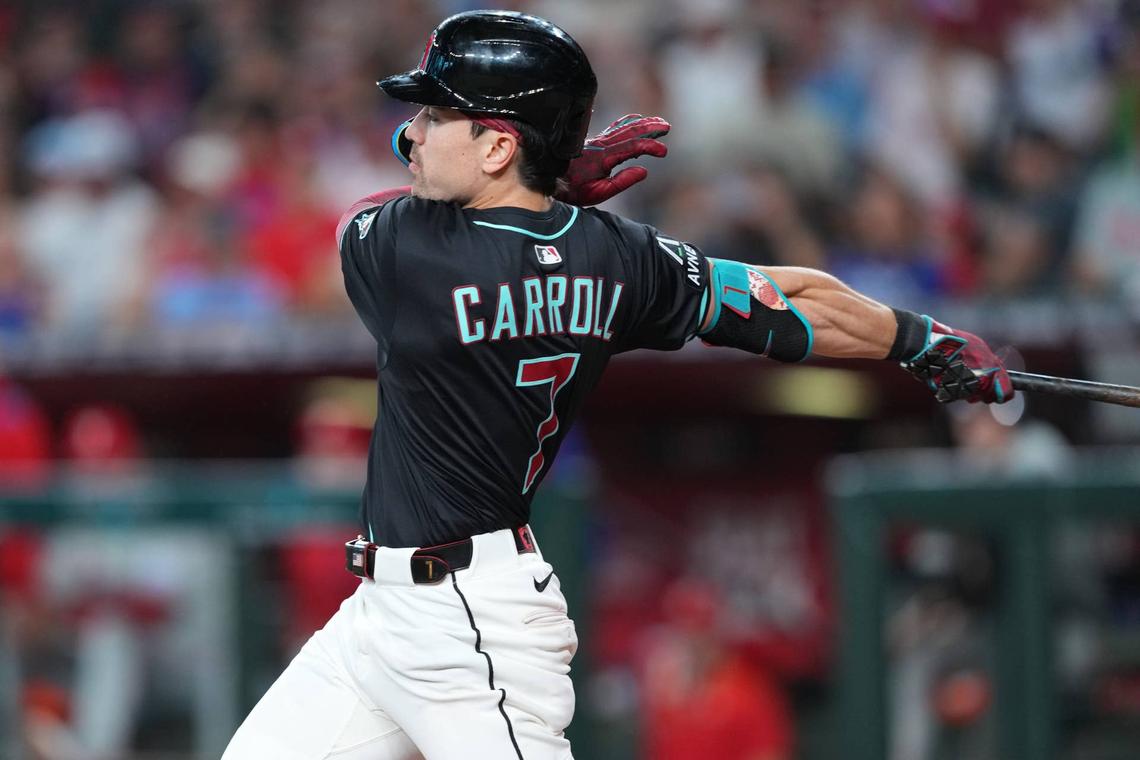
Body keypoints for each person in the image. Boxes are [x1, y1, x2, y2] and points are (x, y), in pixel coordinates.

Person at [222, 10, 1014, 760]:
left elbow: (356, 217)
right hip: (383, 620)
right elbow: (790, 303)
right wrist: (921, 339)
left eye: (434, 116)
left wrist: (555, 178)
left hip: (469, 626)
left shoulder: (408, 249)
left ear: (498, 148)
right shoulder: (616, 255)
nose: (413, 135)